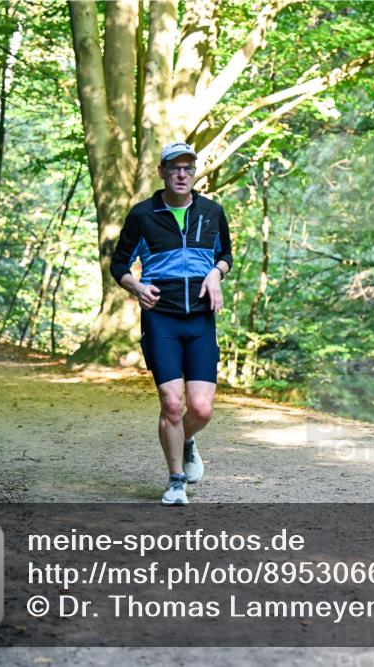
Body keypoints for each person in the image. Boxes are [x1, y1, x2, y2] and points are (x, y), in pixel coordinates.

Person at [109, 142, 233, 505]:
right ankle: (176, 482)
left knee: (202, 409)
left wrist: (215, 273)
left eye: (188, 169)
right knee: (172, 405)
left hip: (200, 320)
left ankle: (187, 439)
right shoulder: (143, 215)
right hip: (161, 317)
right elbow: (119, 265)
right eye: (174, 168)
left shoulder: (212, 212)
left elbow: (226, 254)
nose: (182, 174)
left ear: (195, 174)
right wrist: (136, 286)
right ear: (162, 172)